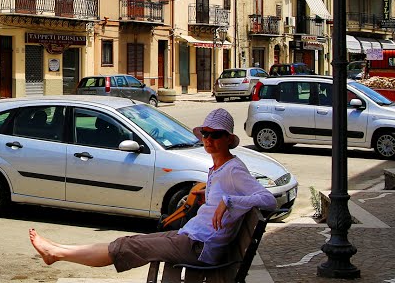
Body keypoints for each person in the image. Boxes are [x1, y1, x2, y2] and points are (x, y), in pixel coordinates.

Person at [29, 108, 277, 270]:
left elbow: (268, 199)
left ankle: (56, 253)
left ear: (227, 139)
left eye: (216, 135)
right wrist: (210, 196)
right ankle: (58, 250)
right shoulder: (219, 168)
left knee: (126, 247)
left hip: (199, 248)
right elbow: (222, 193)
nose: (209, 140)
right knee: (127, 241)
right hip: (191, 238)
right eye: (206, 134)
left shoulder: (233, 169)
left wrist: (229, 202)